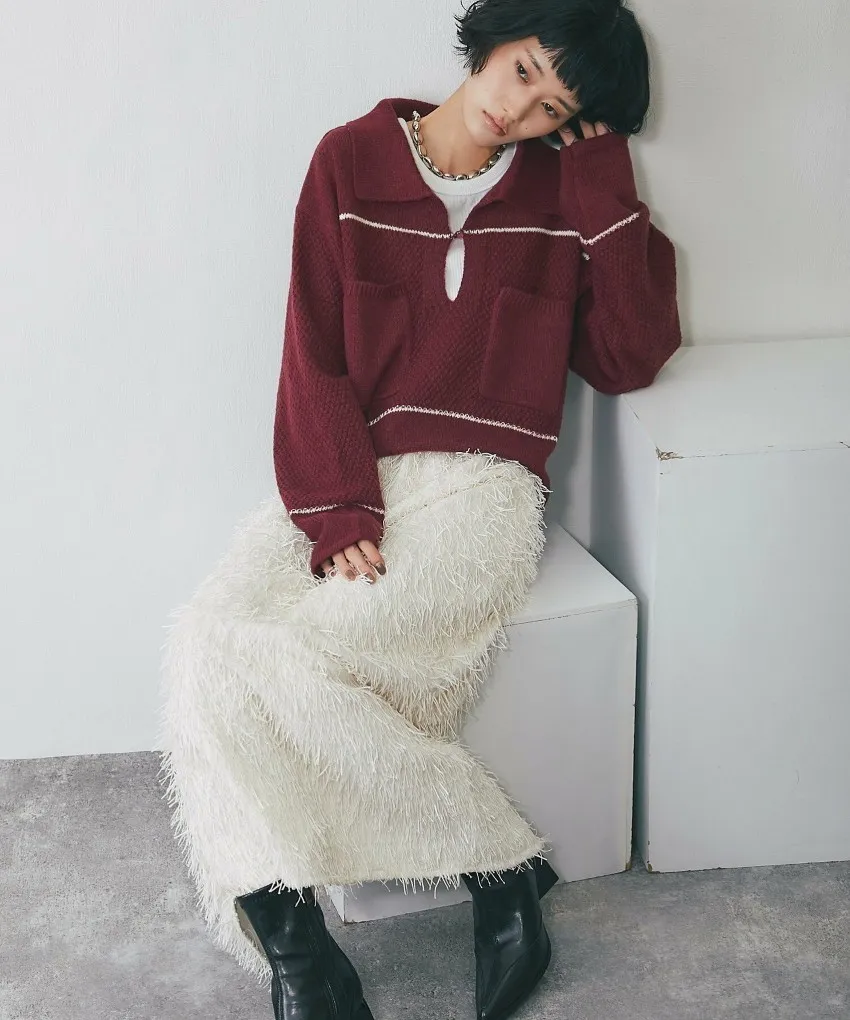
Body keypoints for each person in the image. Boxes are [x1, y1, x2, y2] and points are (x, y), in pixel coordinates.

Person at [157, 1, 682, 1018]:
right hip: (349, 477)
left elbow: (629, 355)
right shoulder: (348, 161)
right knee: (207, 639)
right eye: (523, 71)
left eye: (553, 106)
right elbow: (311, 346)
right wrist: (339, 509)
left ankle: (307, 956)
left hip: (484, 490)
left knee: (301, 656)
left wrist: (602, 184)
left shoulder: (563, 192)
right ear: (491, 40)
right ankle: (455, 885)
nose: (520, 110)